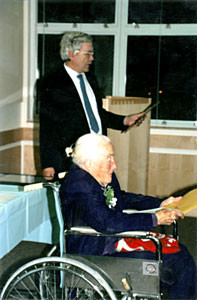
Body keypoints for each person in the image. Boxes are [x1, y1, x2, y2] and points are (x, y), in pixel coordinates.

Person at [60, 133, 197, 300]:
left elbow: (121, 197)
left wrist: (160, 204)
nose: (115, 165)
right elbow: (107, 223)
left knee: (179, 255)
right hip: (96, 250)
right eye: (109, 158)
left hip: (111, 239)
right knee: (177, 261)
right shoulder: (79, 185)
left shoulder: (97, 173)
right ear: (89, 163)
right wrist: (155, 219)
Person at [39, 31, 145, 180]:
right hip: (73, 159)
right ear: (71, 54)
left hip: (99, 152)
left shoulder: (90, 78)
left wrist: (125, 120)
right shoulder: (52, 83)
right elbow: (47, 127)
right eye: (87, 54)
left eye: (92, 53)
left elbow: (95, 113)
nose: (92, 58)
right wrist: (49, 163)